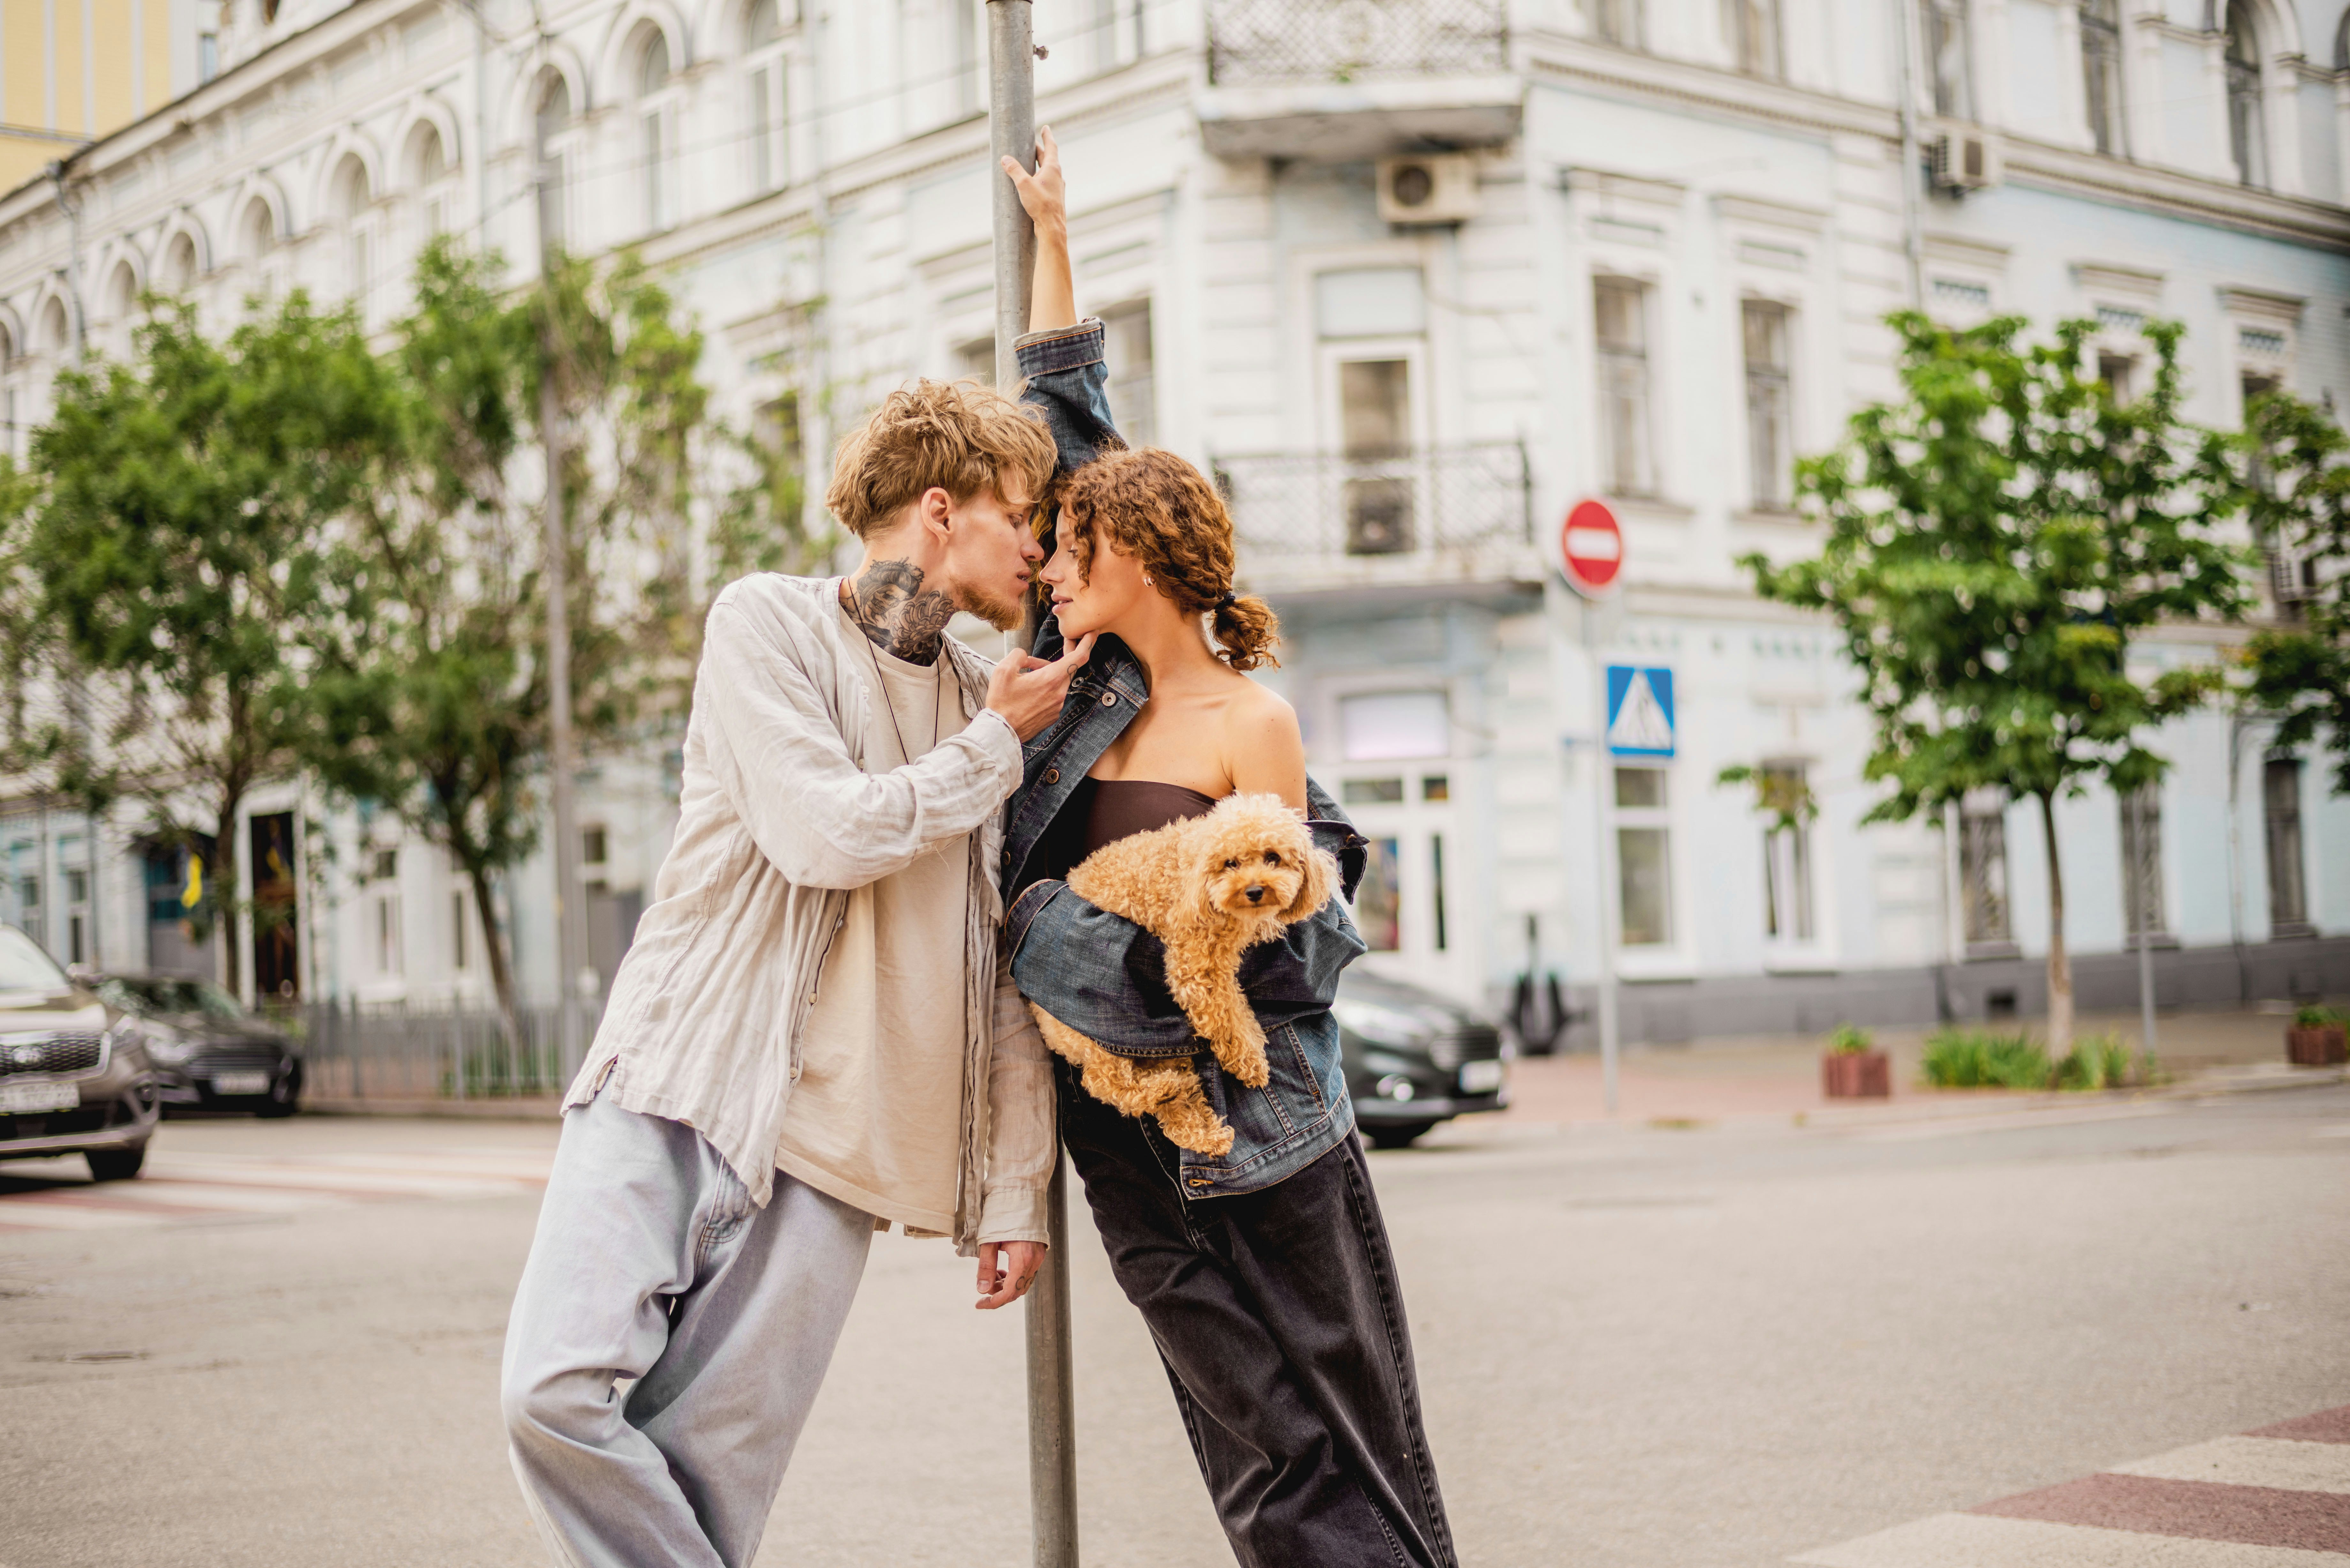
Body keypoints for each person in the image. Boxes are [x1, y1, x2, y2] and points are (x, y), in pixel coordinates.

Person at [498, 315, 1097, 1566]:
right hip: (681, 1078)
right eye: (1019, 517)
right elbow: (825, 833)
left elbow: (996, 974)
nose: (1036, 548)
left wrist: (1012, 1190)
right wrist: (993, 751)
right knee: (551, 1391)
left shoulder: (985, 693)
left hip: (836, 1150)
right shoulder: (765, 625)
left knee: (713, 1480)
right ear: (940, 511)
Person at [998, 132, 1460, 1568]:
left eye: (1071, 547)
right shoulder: (1079, 699)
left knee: (1342, 1437)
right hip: (1123, 1148)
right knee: (1248, 1450)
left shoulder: (1250, 719)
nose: (1047, 567)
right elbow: (1072, 423)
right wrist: (1055, 232)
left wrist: (1058, 948)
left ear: (1133, 554)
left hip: (1261, 1137)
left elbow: (1284, 947)